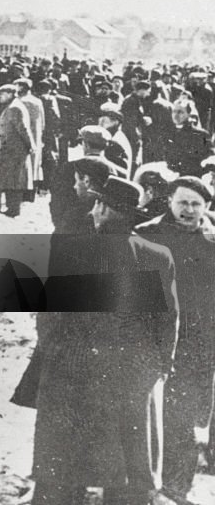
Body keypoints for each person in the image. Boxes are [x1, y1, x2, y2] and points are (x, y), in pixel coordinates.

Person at [13, 176, 177, 505]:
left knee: (62, 450)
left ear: (103, 208)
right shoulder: (156, 254)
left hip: (73, 364)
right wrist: (159, 364)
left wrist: (54, 351)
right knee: (127, 450)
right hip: (129, 368)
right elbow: (167, 319)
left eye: (98, 203)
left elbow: (51, 312)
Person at [135, 177, 215, 503]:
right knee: (150, 417)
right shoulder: (147, 235)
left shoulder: (212, 242)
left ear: (207, 207)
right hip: (152, 341)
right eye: (183, 202)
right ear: (169, 201)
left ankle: (177, 488)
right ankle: (145, 486)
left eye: (196, 204)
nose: (189, 210)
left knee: (185, 418)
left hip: (197, 344)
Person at [0, 84, 32, 217]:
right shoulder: (14, 106)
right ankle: (9, 208)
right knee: (11, 180)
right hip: (12, 148)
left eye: (2, 94)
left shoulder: (14, 108)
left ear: (11, 94)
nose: (0, 96)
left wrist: (30, 145)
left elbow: (23, 129)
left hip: (12, 149)